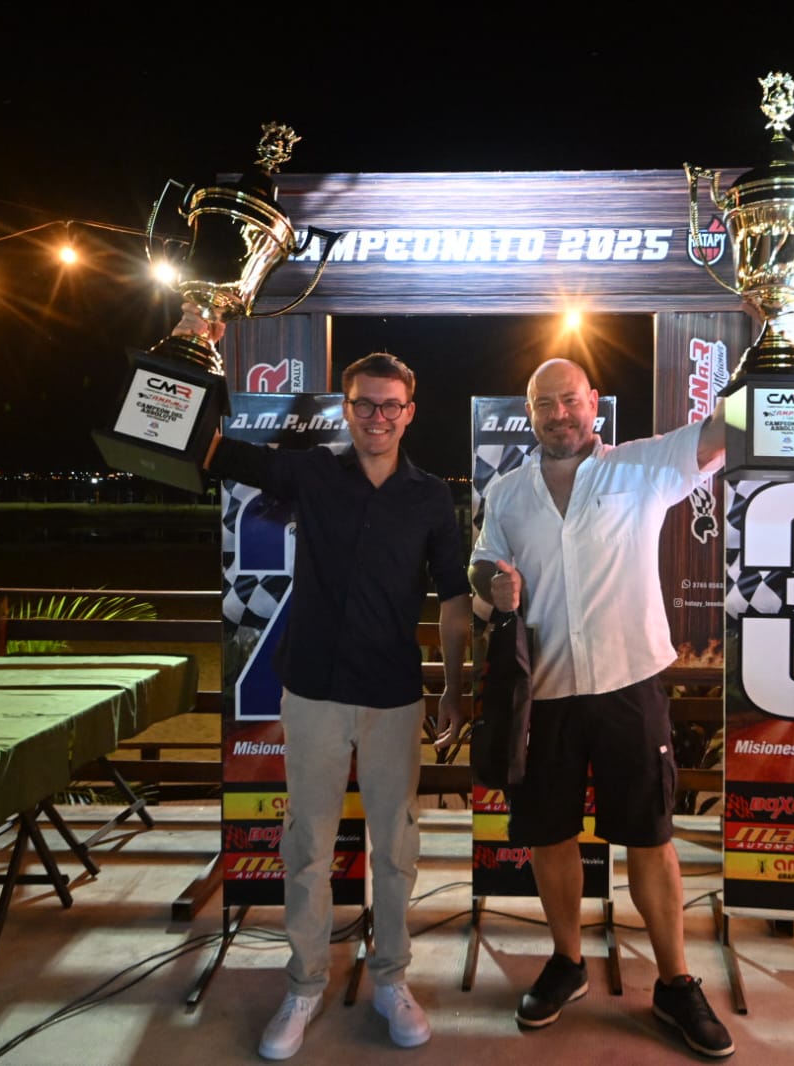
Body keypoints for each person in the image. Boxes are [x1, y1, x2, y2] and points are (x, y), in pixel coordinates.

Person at [203, 350, 472, 1061]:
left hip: (393, 697)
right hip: (313, 691)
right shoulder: (312, 472)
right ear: (345, 409)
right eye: (364, 404)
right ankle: (303, 985)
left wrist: (455, 686)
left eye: (390, 405)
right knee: (305, 850)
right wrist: (190, 353)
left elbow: (453, 598)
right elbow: (209, 449)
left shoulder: (430, 496)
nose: (377, 417)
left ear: (409, 413)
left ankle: (391, 980)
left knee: (397, 851)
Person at [468, 357, 734, 1058]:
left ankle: (674, 982)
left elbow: (723, 430)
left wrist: (770, 361)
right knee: (549, 835)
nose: (559, 414)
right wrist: (491, 585)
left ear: (594, 403)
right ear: (529, 413)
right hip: (546, 694)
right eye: (544, 404)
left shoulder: (642, 466)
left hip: (628, 686)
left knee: (649, 836)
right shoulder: (506, 492)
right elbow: (481, 562)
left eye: (570, 400)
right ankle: (567, 961)